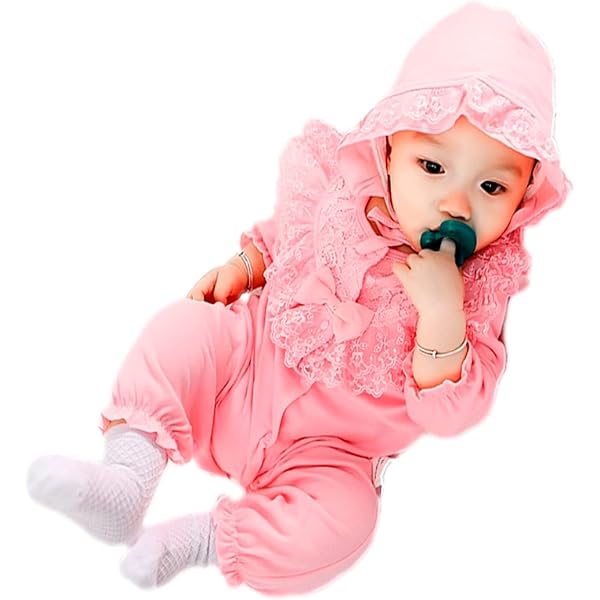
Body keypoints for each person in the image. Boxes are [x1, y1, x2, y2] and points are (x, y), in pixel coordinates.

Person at [26, 2, 571, 595]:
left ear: (524, 198)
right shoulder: (343, 190)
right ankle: (127, 479)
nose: (456, 204)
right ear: (389, 148)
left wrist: (442, 317)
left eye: (491, 185)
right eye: (432, 165)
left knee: (348, 523)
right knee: (182, 330)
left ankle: (199, 540)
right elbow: (288, 235)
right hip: (245, 364)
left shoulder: (481, 288)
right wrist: (243, 266)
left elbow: (449, 414)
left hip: (332, 455)